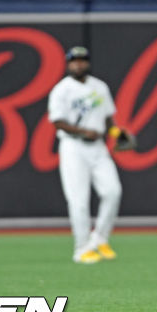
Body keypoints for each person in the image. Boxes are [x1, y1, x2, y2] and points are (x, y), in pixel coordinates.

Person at [48, 46, 129, 264]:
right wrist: (84, 131)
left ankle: (99, 238)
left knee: (113, 191)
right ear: (68, 64)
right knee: (79, 200)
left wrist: (115, 133)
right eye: (74, 60)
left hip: (98, 146)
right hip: (73, 147)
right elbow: (57, 121)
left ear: (88, 63)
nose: (79, 64)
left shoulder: (99, 87)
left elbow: (108, 118)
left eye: (82, 60)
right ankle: (81, 248)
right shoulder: (62, 89)